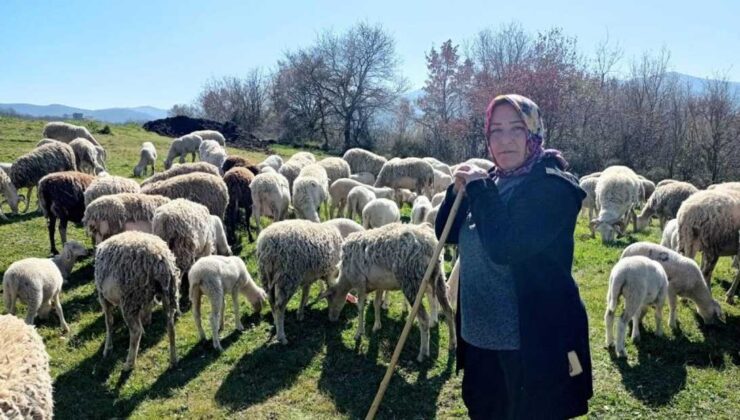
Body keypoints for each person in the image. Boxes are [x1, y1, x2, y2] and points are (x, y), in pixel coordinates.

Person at [435, 94, 593, 419]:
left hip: (529, 343)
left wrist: (478, 190)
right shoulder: (492, 180)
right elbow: (448, 235)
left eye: (516, 129)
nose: (504, 140)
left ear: (533, 133)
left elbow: (506, 247)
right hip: (479, 336)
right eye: (496, 131)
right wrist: (455, 193)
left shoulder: (553, 188)